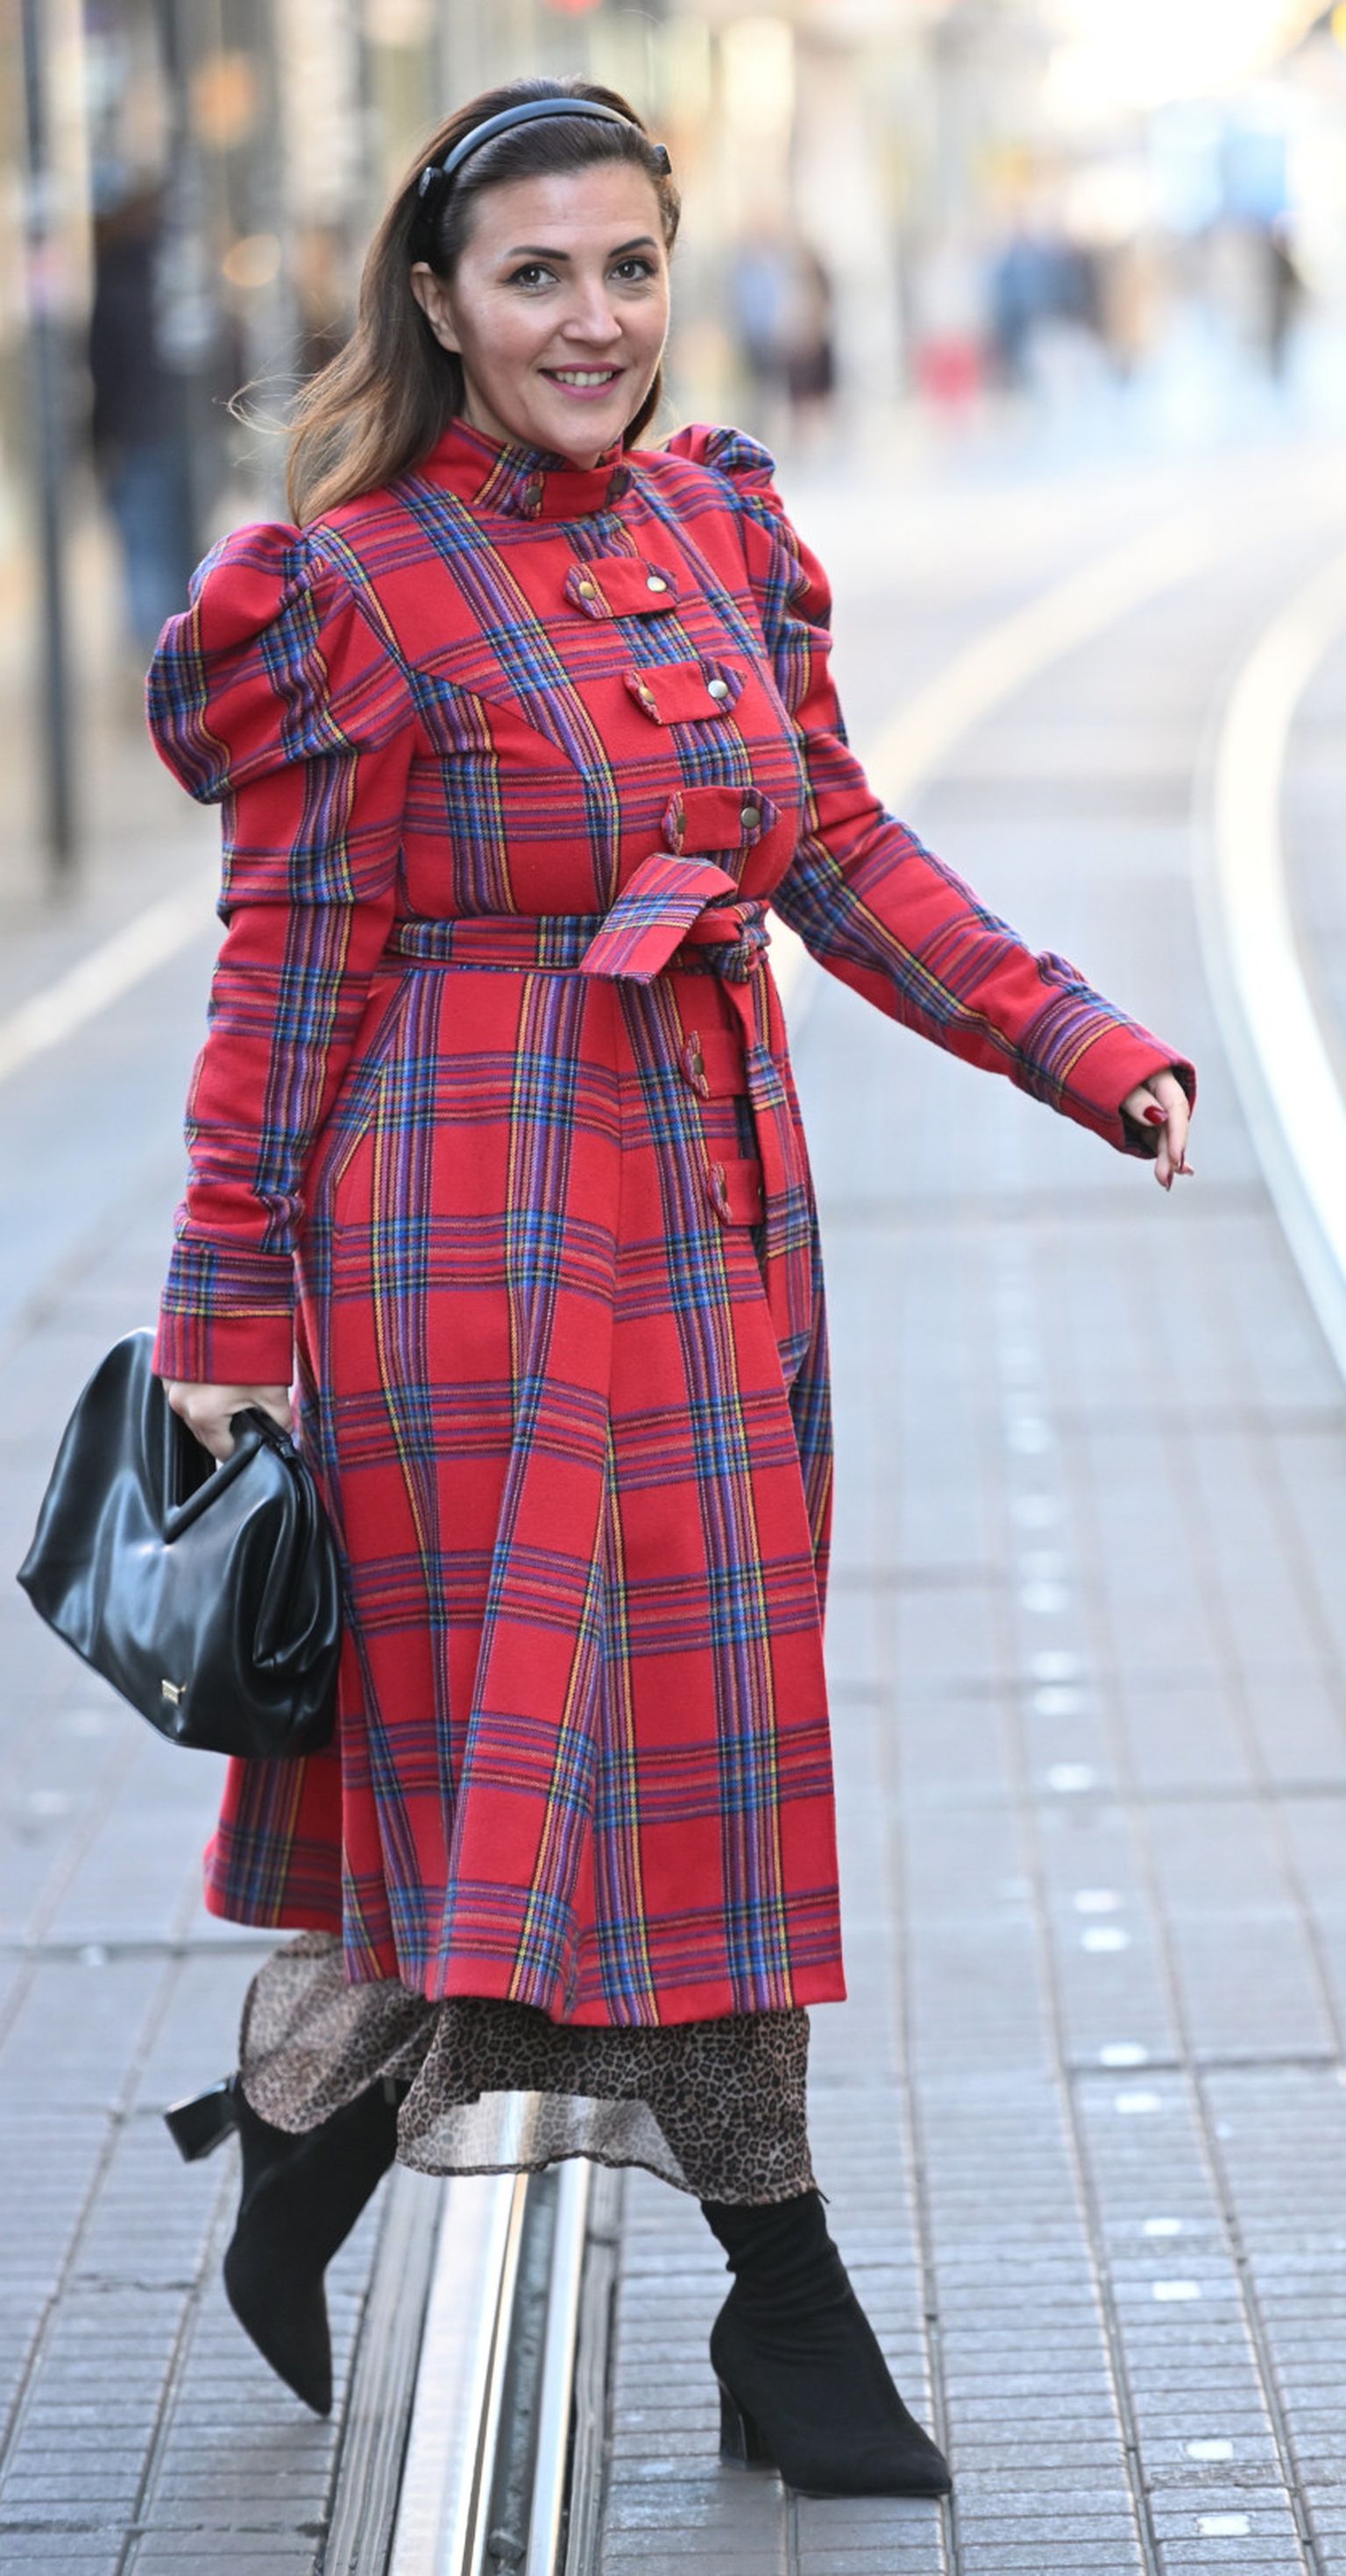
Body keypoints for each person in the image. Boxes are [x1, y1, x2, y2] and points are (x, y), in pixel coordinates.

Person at [149, 76, 1195, 2500]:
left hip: (710, 1215)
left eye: (628, 266)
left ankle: (306, 2125)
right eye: (536, 275)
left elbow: (835, 843)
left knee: (653, 1749)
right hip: (461, 1250)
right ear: (440, 301)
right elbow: (279, 982)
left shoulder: (719, 528)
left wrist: (1079, 1043)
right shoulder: (356, 592)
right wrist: (225, 1322)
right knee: (586, 1754)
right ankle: (788, 2303)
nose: (593, 320)